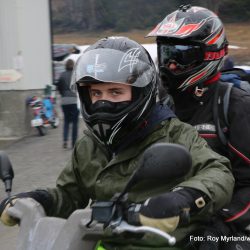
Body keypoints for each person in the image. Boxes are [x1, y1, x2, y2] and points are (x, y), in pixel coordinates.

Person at [0, 36, 234, 249]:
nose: (103, 102)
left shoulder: (175, 134)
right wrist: (39, 200)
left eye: (114, 92)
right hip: (102, 242)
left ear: (140, 93)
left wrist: (182, 199)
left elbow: (218, 173)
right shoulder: (89, 145)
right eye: (96, 93)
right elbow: (70, 195)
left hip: (167, 243)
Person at [147, 4, 250, 249]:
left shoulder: (235, 106)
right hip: (175, 224)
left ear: (210, 54)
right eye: (167, 53)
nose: (170, 65)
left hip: (229, 226)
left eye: (181, 55)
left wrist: (221, 226)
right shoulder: (162, 105)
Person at [56, 59, 79, 149]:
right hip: (73, 100)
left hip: (64, 101)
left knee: (66, 121)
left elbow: (58, 87)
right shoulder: (75, 75)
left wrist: (63, 94)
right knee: (74, 122)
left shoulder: (62, 75)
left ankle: (65, 141)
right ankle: (73, 142)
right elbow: (79, 86)